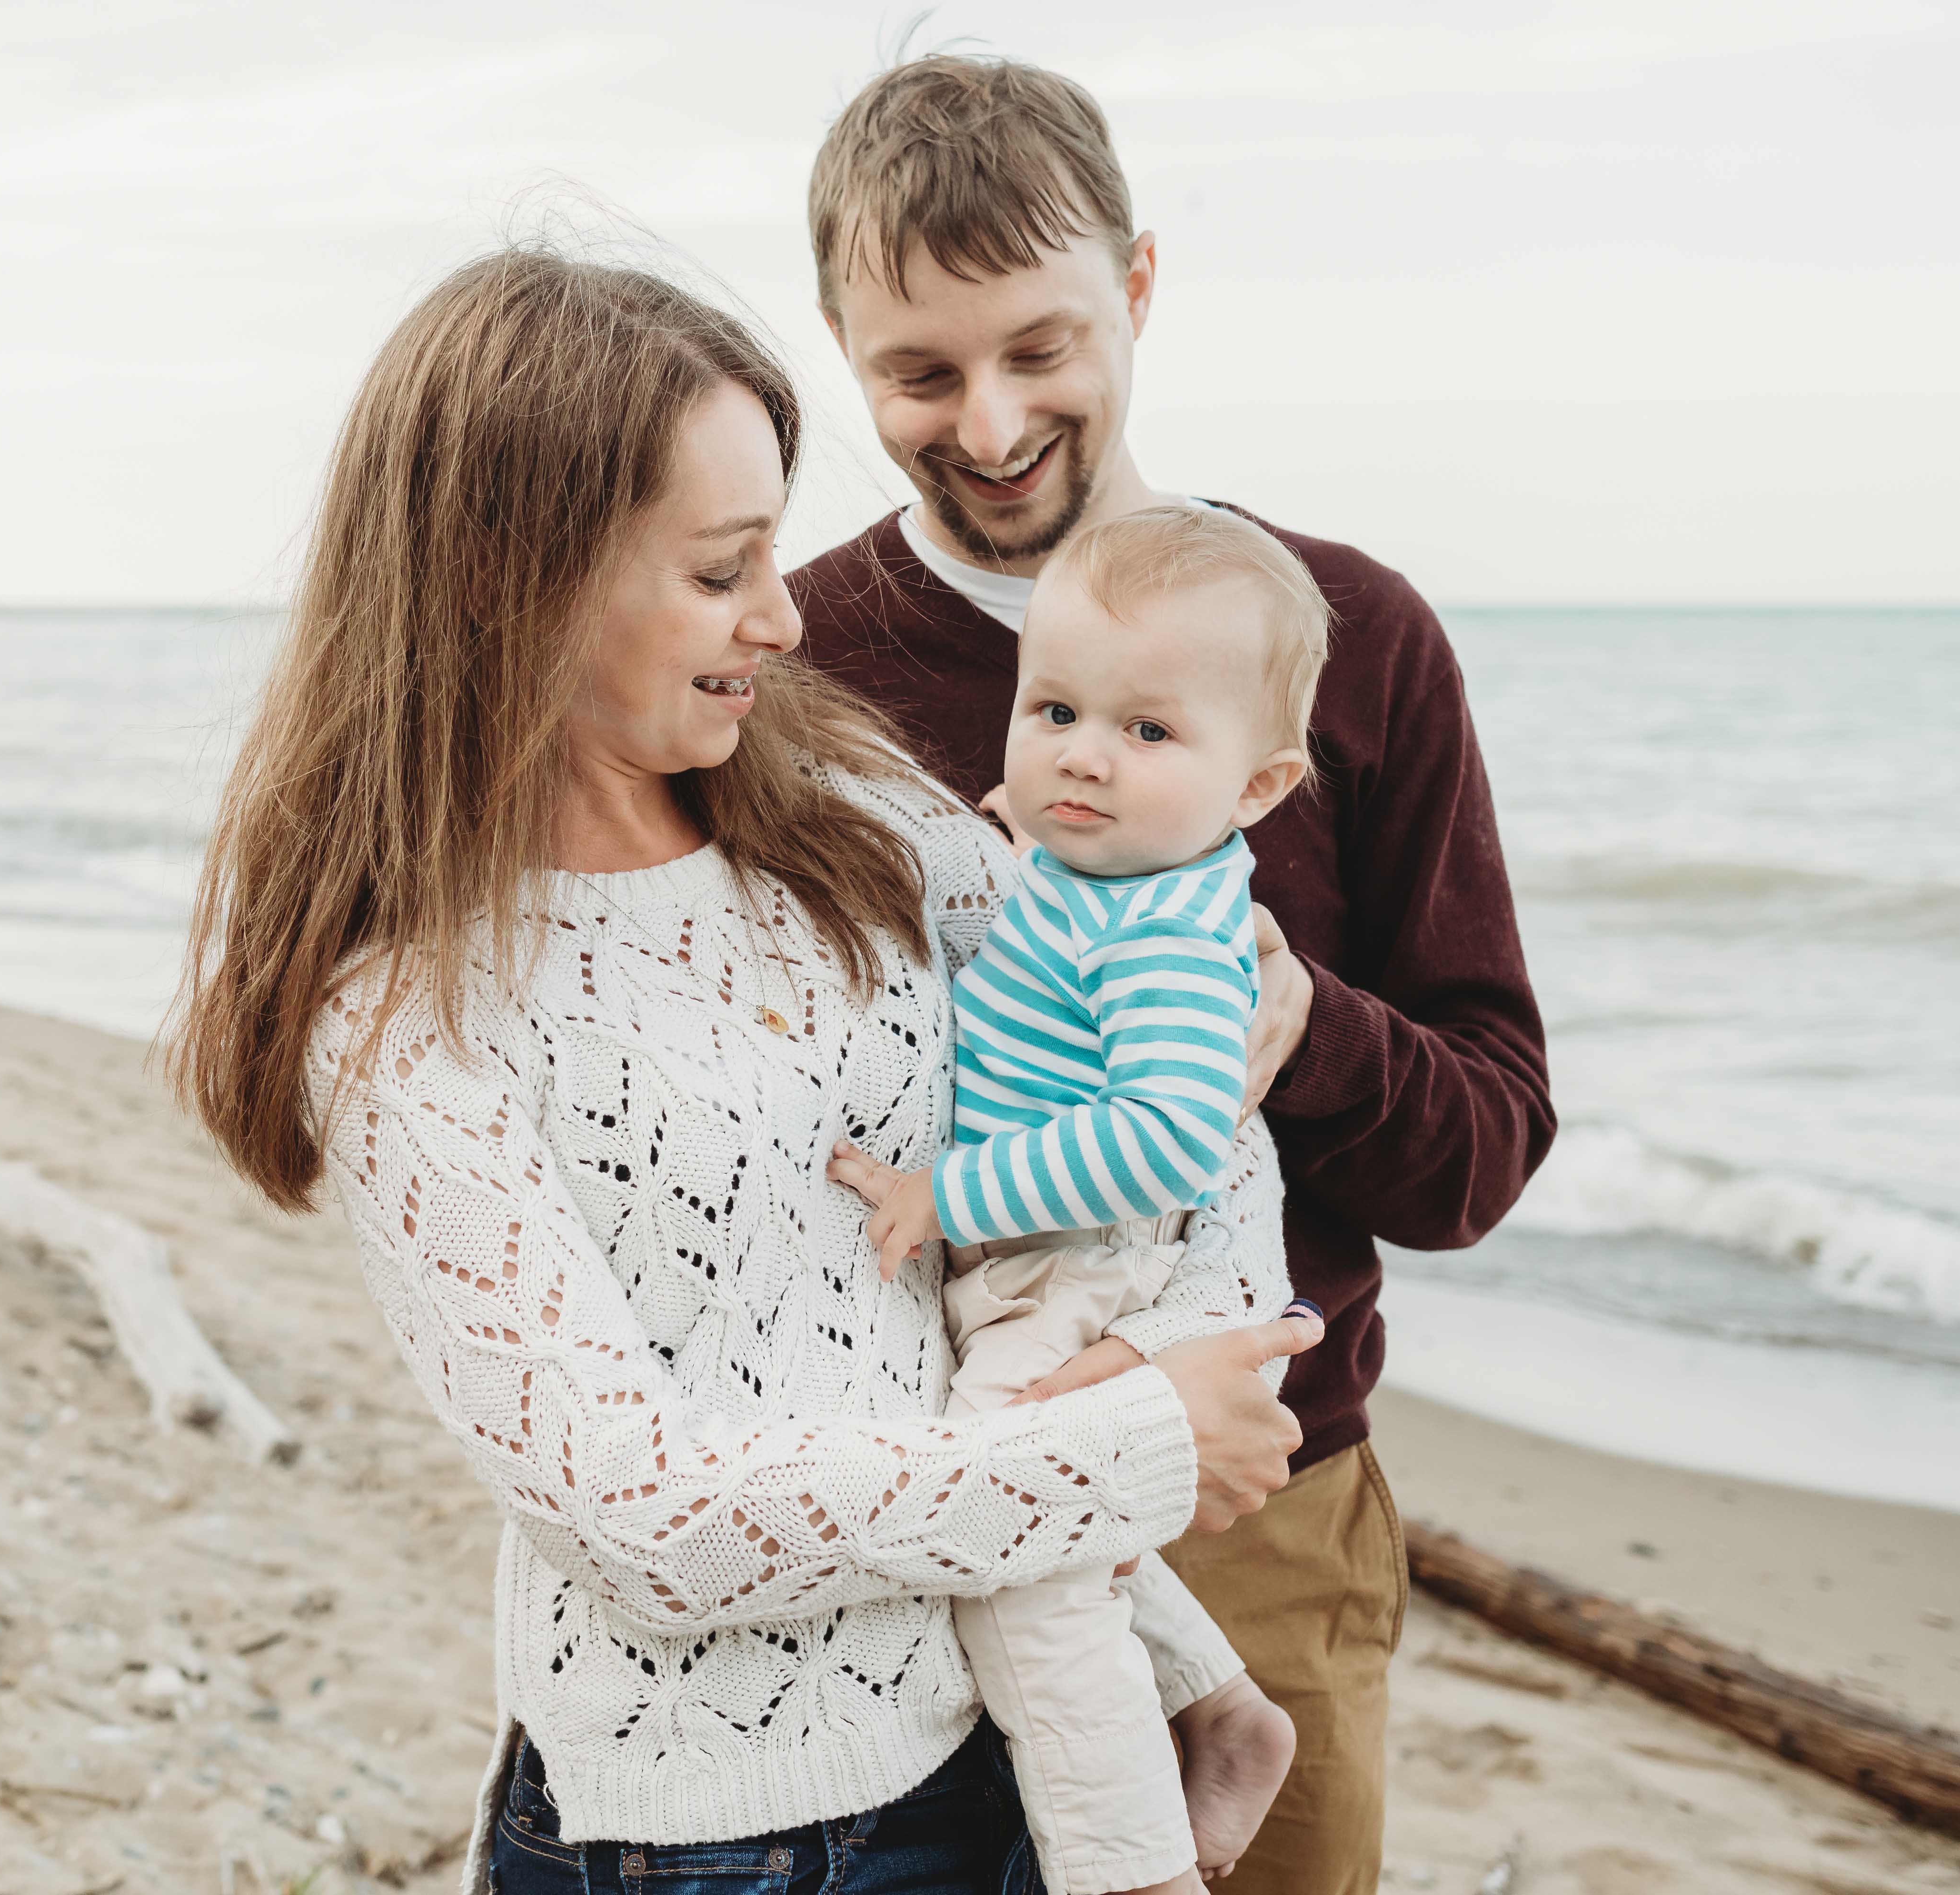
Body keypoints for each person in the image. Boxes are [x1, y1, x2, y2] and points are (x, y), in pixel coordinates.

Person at [169, 247, 1326, 1895]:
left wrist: (1183, 1337)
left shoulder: (845, 817)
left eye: (771, 551)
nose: (783, 618)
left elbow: (1188, 1047)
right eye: (723, 569)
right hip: (716, 1841)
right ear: (512, 571)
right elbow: (641, 1521)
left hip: (1007, 1739)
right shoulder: (409, 1015)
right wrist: (1132, 1443)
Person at [789, 57, 1556, 1895]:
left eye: (1040, 346)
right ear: (839, 345)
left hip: (1255, 1507)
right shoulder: (791, 660)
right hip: (888, 1511)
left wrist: (1296, 1030)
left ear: (1137, 286)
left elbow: (1482, 1150)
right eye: (918, 370)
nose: (986, 424)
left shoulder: (1345, 639)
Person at [829, 504, 1333, 1895]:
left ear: (1257, 785)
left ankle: (1131, 1868)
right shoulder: (1096, 873)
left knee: (1007, 1541)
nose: (1081, 754)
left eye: (1146, 734)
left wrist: (950, 1189)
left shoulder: (1167, 930)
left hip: (1071, 1263)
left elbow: (1171, 1136)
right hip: (1039, 1256)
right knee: (1045, 1508)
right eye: (1053, 709)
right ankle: (1220, 1701)